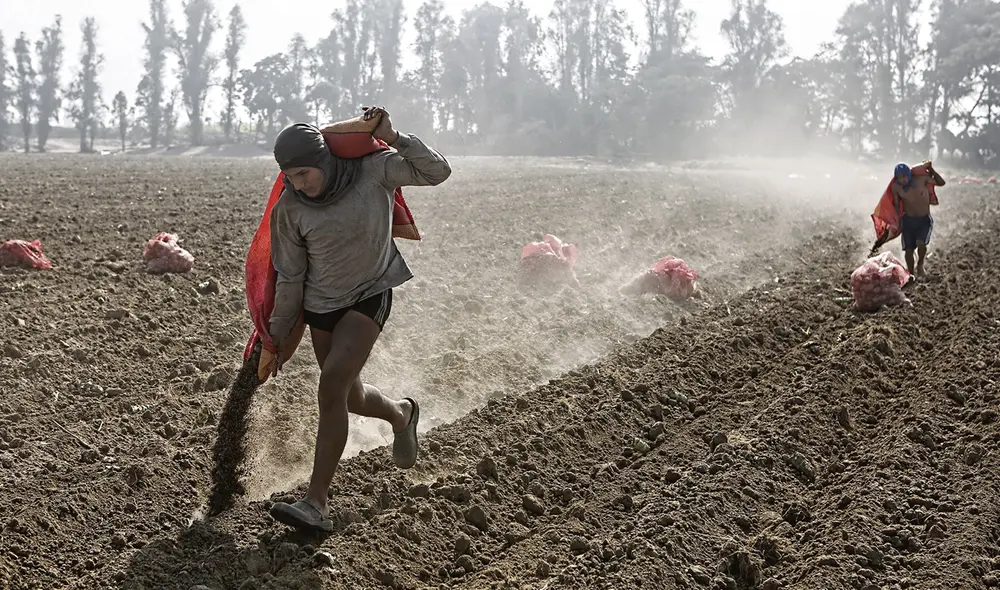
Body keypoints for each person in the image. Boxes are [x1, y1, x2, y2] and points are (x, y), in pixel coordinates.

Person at [266, 107, 452, 532]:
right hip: (321, 306)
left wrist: (396, 136)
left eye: (304, 174)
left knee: (330, 385)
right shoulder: (289, 209)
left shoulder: (374, 170)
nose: (299, 185)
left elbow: (437, 171)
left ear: (324, 160)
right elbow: (290, 278)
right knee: (348, 396)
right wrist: (276, 338)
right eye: (290, 177)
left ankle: (316, 504)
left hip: (370, 292)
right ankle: (402, 415)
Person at [890, 161, 946, 278]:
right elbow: (896, 205)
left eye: (905, 176)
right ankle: (910, 274)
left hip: (924, 220)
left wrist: (931, 170)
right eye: (900, 178)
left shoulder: (921, 180)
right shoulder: (896, 188)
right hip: (908, 221)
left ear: (909, 175)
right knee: (908, 250)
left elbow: (941, 182)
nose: (903, 180)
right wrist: (895, 220)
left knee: (921, 243)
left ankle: (920, 265)